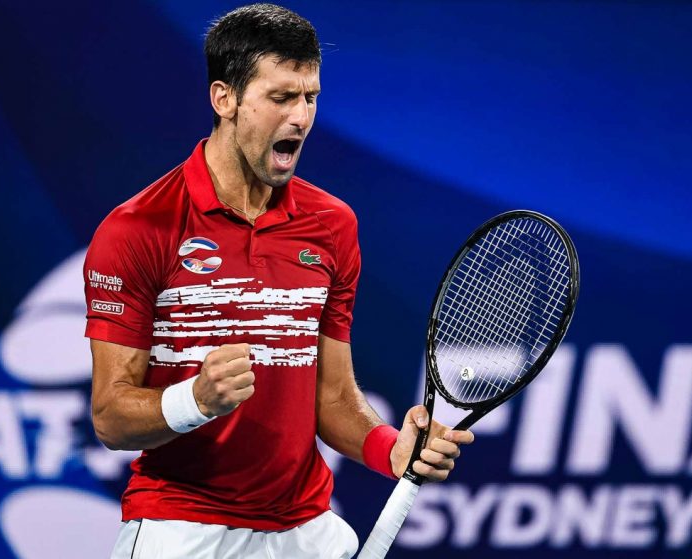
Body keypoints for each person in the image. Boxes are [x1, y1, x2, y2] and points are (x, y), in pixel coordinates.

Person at [83, 4, 474, 558]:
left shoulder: (332, 225)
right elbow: (111, 417)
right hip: (183, 529)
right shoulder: (137, 229)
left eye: (310, 96)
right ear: (225, 99)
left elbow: (332, 395)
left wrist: (393, 448)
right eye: (281, 97)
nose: (301, 117)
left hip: (306, 530)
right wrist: (195, 398)